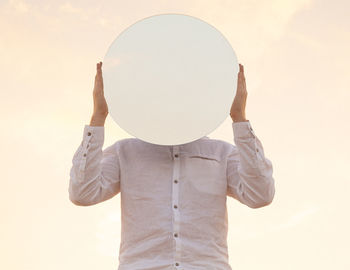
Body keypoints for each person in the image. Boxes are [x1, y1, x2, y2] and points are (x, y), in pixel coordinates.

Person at [69, 62, 275, 270]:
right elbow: (83, 194)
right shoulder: (126, 152)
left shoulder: (221, 153)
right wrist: (98, 117)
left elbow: (260, 195)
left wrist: (239, 118)